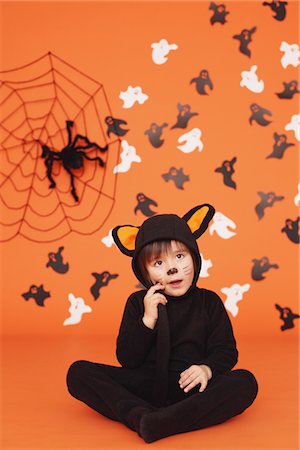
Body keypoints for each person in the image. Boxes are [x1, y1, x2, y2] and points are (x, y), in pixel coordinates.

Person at [67, 204, 258, 443]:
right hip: (144, 385)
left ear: (194, 257)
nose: (172, 268)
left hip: (192, 389)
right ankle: (141, 416)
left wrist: (206, 369)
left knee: (245, 381)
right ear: (144, 272)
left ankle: (164, 421)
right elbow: (127, 359)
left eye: (180, 256)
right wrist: (147, 320)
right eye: (158, 263)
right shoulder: (138, 302)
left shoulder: (209, 302)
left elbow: (226, 351)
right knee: (78, 373)